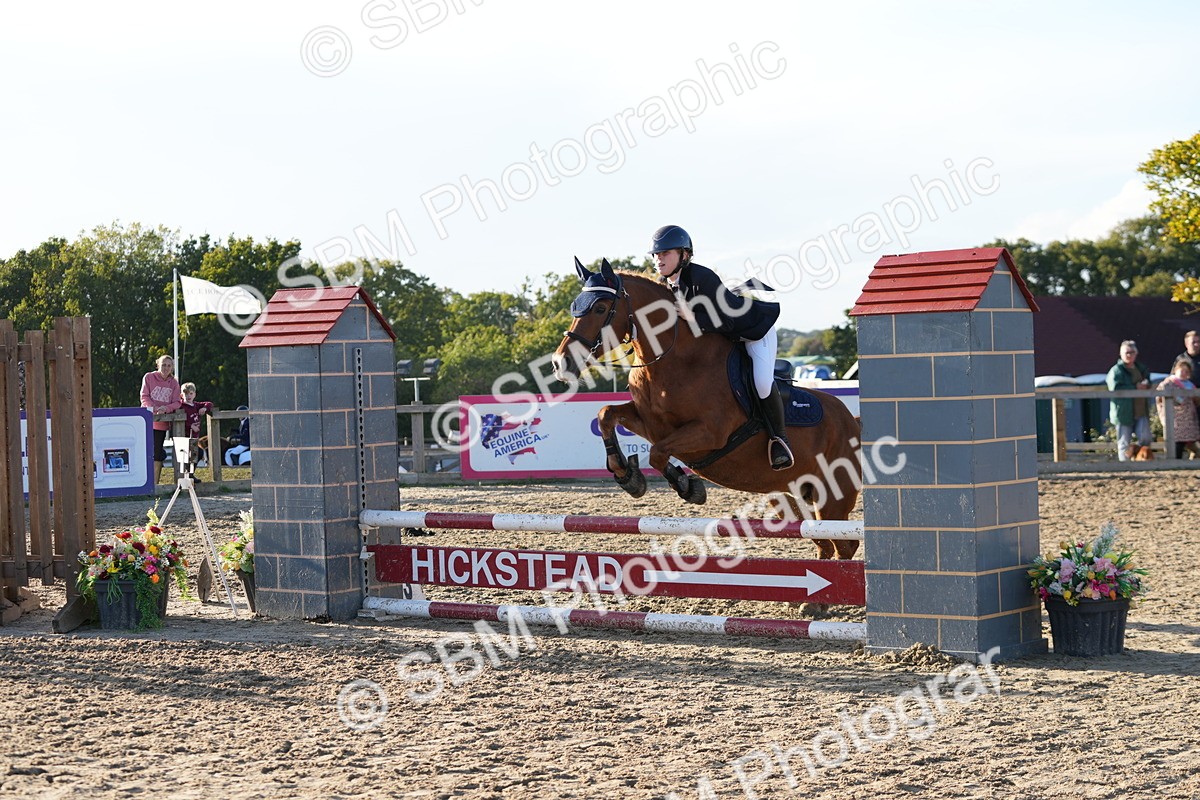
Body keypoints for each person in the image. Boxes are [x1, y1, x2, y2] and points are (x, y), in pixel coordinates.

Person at [648, 224, 793, 470]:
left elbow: (727, 320)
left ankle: (779, 439)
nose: (659, 258)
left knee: (761, 382)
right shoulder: (664, 284)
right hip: (722, 340)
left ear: (684, 255)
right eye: (656, 254)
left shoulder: (703, 278)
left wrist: (691, 317)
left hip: (752, 332)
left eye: (665, 253)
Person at [1106, 340, 1152, 461]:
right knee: (1123, 441)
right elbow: (1114, 387)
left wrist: (1146, 385)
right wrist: (1135, 387)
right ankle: (1124, 464)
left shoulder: (1141, 368)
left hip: (1140, 409)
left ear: (1136, 353)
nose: (1129, 355)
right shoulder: (1116, 371)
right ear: (1121, 354)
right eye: (1126, 352)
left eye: (1131, 352)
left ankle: (1138, 456)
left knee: (1146, 438)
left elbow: (1148, 380)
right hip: (1123, 410)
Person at [140, 355, 181, 485]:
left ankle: (154, 484)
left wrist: (166, 408)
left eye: (169, 365)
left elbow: (177, 402)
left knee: (157, 452)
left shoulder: (174, 382)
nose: (166, 368)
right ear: (158, 365)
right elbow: (144, 396)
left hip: (162, 424)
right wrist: (154, 408)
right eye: (163, 365)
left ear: (172, 367)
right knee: (145, 451)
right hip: (147, 421)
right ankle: (141, 482)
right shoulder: (149, 377)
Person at [1156, 356, 1200, 459]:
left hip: (1188, 419)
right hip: (1175, 417)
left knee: (1190, 441)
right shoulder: (1168, 383)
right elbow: (1160, 396)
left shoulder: (1190, 385)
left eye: (1186, 371)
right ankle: (1175, 462)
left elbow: (1196, 400)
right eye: (1182, 370)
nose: (1183, 373)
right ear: (1176, 370)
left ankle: (1193, 460)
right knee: (1176, 442)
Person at [180, 382, 214, 466]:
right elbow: (177, 419)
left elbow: (210, 404)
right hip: (185, 436)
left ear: (194, 394)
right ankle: (188, 475)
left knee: (195, 456)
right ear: (181, 395)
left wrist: (204, 408)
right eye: (186, 394)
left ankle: (190, 475)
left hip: (195, 437)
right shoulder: (181, 406)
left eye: (191, 393)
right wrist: (190, 425)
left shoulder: (196, 405)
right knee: (194, 455)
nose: (188, 396)